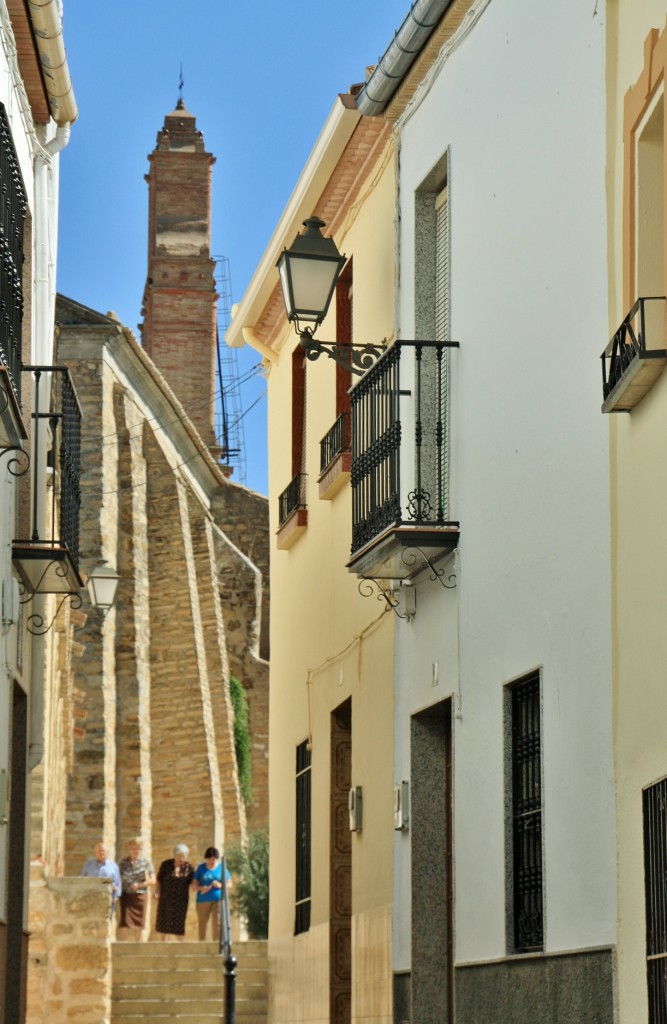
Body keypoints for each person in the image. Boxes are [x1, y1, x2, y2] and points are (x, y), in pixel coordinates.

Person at [153, 843, 194, 940]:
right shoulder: (166, 865)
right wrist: (157, 891)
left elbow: (193, 881)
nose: (181, 859)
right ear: (174, 855)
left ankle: (180, 948)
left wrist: (195, 885)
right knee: (164, 920)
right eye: (179, 856)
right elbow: (159, 880)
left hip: (181, 900)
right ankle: (163, 946)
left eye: (183, 856)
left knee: (179, 923)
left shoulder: (189, 868)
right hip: (165, 898)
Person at [118, 837, 156, 942]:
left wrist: (139, 885)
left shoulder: (146, 862)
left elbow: (153, 880)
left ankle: (137, 947)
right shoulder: (123, 863)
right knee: (124, 922)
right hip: (126, 895)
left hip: (140, 896)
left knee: (139, 923)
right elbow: (117, 878)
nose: (136, 851)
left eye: (138, 848)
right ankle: (124, 947)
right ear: (129, 849)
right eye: (134, 848)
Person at [193, 846, 231, 942]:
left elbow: (230, 884)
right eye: (209, 859)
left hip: (218, 900)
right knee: (202, 923)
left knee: (217, 922)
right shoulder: (201, 868)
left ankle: (217, 944)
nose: (211, 861)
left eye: (213, 859)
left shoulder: (222, 869)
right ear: (206, 858)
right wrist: (201, 888)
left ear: (216, 858)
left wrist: (220, 885)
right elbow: (194, 885)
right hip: (202, 901)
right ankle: (202, 944)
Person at [81, 841, 121, 918]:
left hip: (107, 900)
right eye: (99, 851)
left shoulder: (113, 867)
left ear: (107, 853)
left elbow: (118, 884)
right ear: (95, 853)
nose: (101, 853)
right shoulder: (88, 865)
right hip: (90, 900)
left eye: (103, 851)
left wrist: (115, 898)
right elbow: (82, 880)